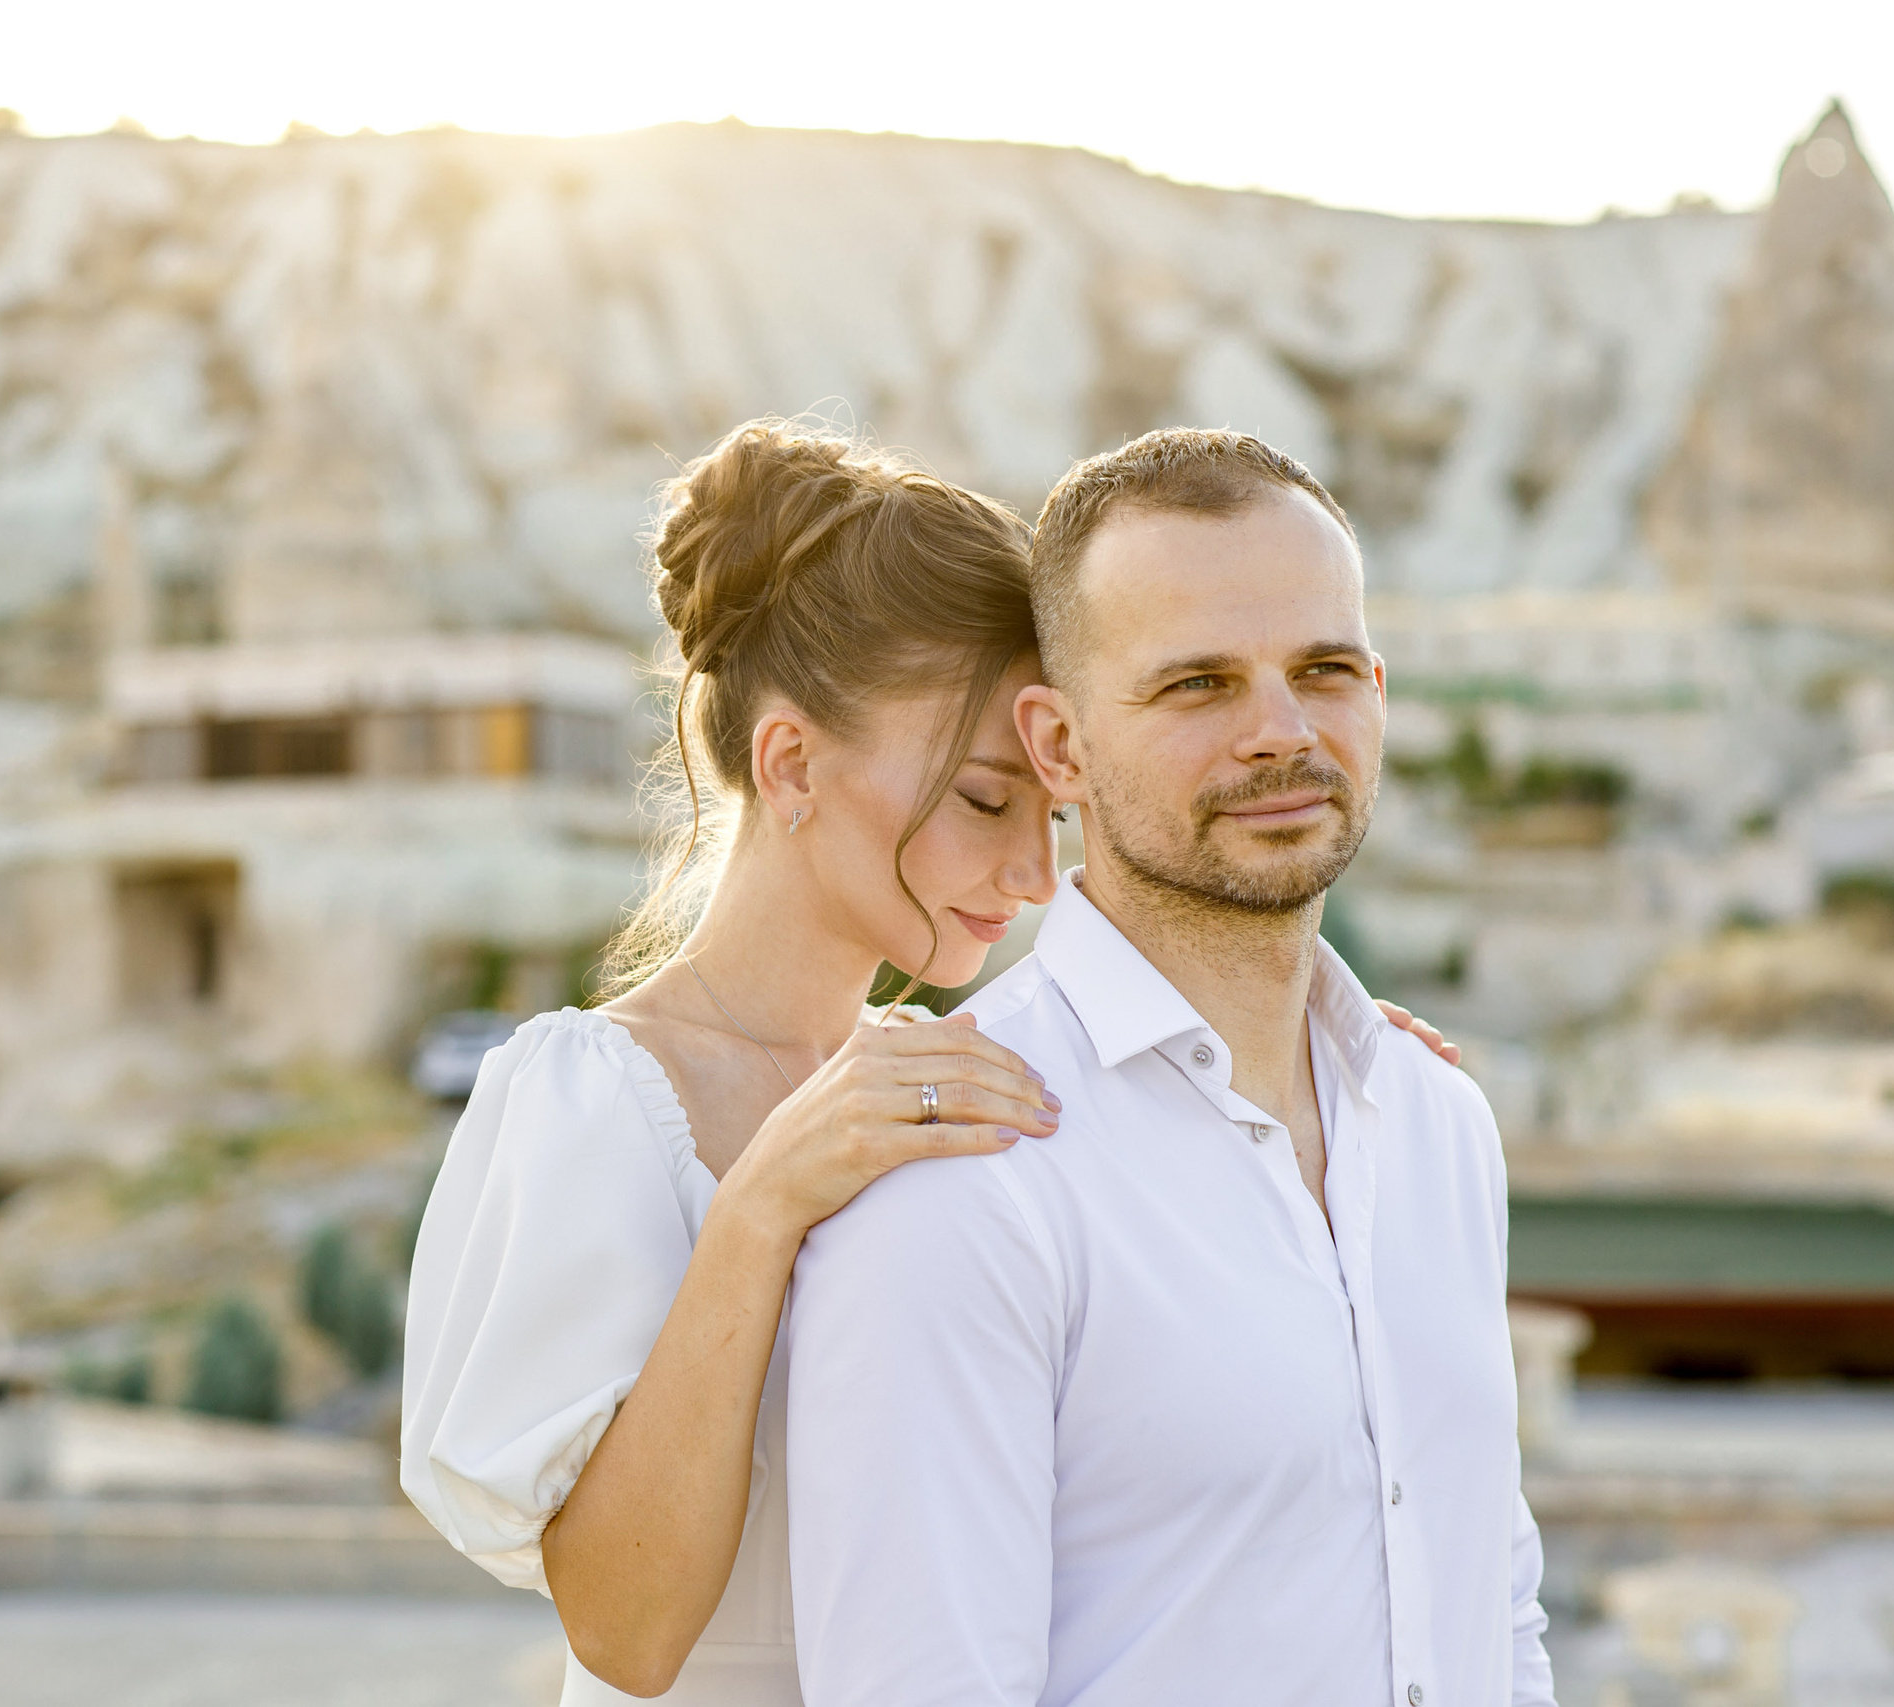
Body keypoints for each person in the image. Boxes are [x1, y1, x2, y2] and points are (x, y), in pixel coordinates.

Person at [401, 421, 1460, 1706]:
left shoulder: (936, 1081)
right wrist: (756, 1210)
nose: (1030, 875)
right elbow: (625, 1634)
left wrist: (1318, 1074)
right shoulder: (593, 1101)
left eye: (1047, 808)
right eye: (980, 800)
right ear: (791, 762)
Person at [783, 428, 1552, 1707]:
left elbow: (1494, 1608)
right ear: (1061, 748)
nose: (1280, 732)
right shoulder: (959, 1167)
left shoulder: (1437, 1124)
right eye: (1197, 684)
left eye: (1323, 670)